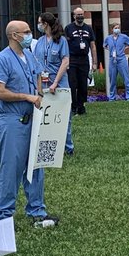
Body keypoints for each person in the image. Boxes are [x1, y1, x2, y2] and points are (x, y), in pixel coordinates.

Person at [0, 19, 58, 227]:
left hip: (34, 119)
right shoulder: (3, 59)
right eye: (26, 32)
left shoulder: (29, 55)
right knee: (11, 166)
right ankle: (2, 214)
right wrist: (26, 97)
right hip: (13, 120)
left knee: (36, 165)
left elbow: (38, 75)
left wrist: (38, 93)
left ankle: (37, 210)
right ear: (14, 36)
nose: (30, 35)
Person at [35, 11, 73, 156]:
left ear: (45, 24)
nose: (38, 25)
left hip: (59, 82)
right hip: (43, 83)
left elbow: (65, 61)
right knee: (45, 116)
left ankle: (67, 147)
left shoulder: (61, 41)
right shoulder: (40, 42)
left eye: (40, 22)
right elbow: (36, 62)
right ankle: (48, 146)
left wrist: (55, 82)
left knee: (63, 115)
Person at [65, 7, 96, 116]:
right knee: (73, 84)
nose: (80, 17)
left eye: (82, 14)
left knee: (83, 84)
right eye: (78, 15)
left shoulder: (88, 28)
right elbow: (65, 45)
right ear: (74, 16)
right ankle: (73, 107)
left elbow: (92, 46)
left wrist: (95, 62)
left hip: (84, 59)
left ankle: (81, 106)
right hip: (72, 59)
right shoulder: (68, 28)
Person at [104, 25, 129, 100]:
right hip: (112, 59)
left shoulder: (123, 37)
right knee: (112, 79)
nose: (117, 29)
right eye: (115, 28)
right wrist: (111, 50)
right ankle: (112, 97)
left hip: (121, 59)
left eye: (118, 28)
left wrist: (125, 48)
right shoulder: (108, 38)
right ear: (112, 29)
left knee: (126, 78)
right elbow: (104, 46)